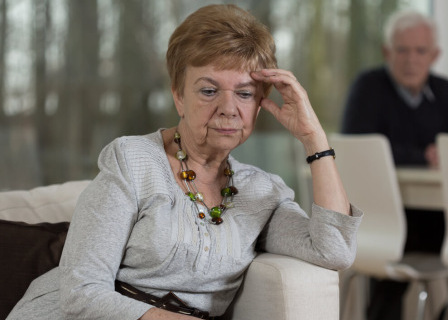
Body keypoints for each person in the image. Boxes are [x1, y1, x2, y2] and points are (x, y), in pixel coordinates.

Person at [8, 4, 362, 320]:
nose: (228, 108)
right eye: (209, 91)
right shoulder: (132, 161)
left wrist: (314, 138)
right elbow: (81, 292)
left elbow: (333, 250)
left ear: (259, 102)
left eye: (244, 93)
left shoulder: (262, 192)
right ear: (179, 96)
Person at [341, 9, 448, 320]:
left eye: (420, 51)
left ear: (434, 55)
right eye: (402, 50)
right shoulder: (368, 88)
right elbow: (355, 148)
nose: (411, 59)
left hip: (438, 220)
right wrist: (423, 156)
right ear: (387, 52)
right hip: (380, 218)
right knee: (389, 274)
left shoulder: (446, 92)